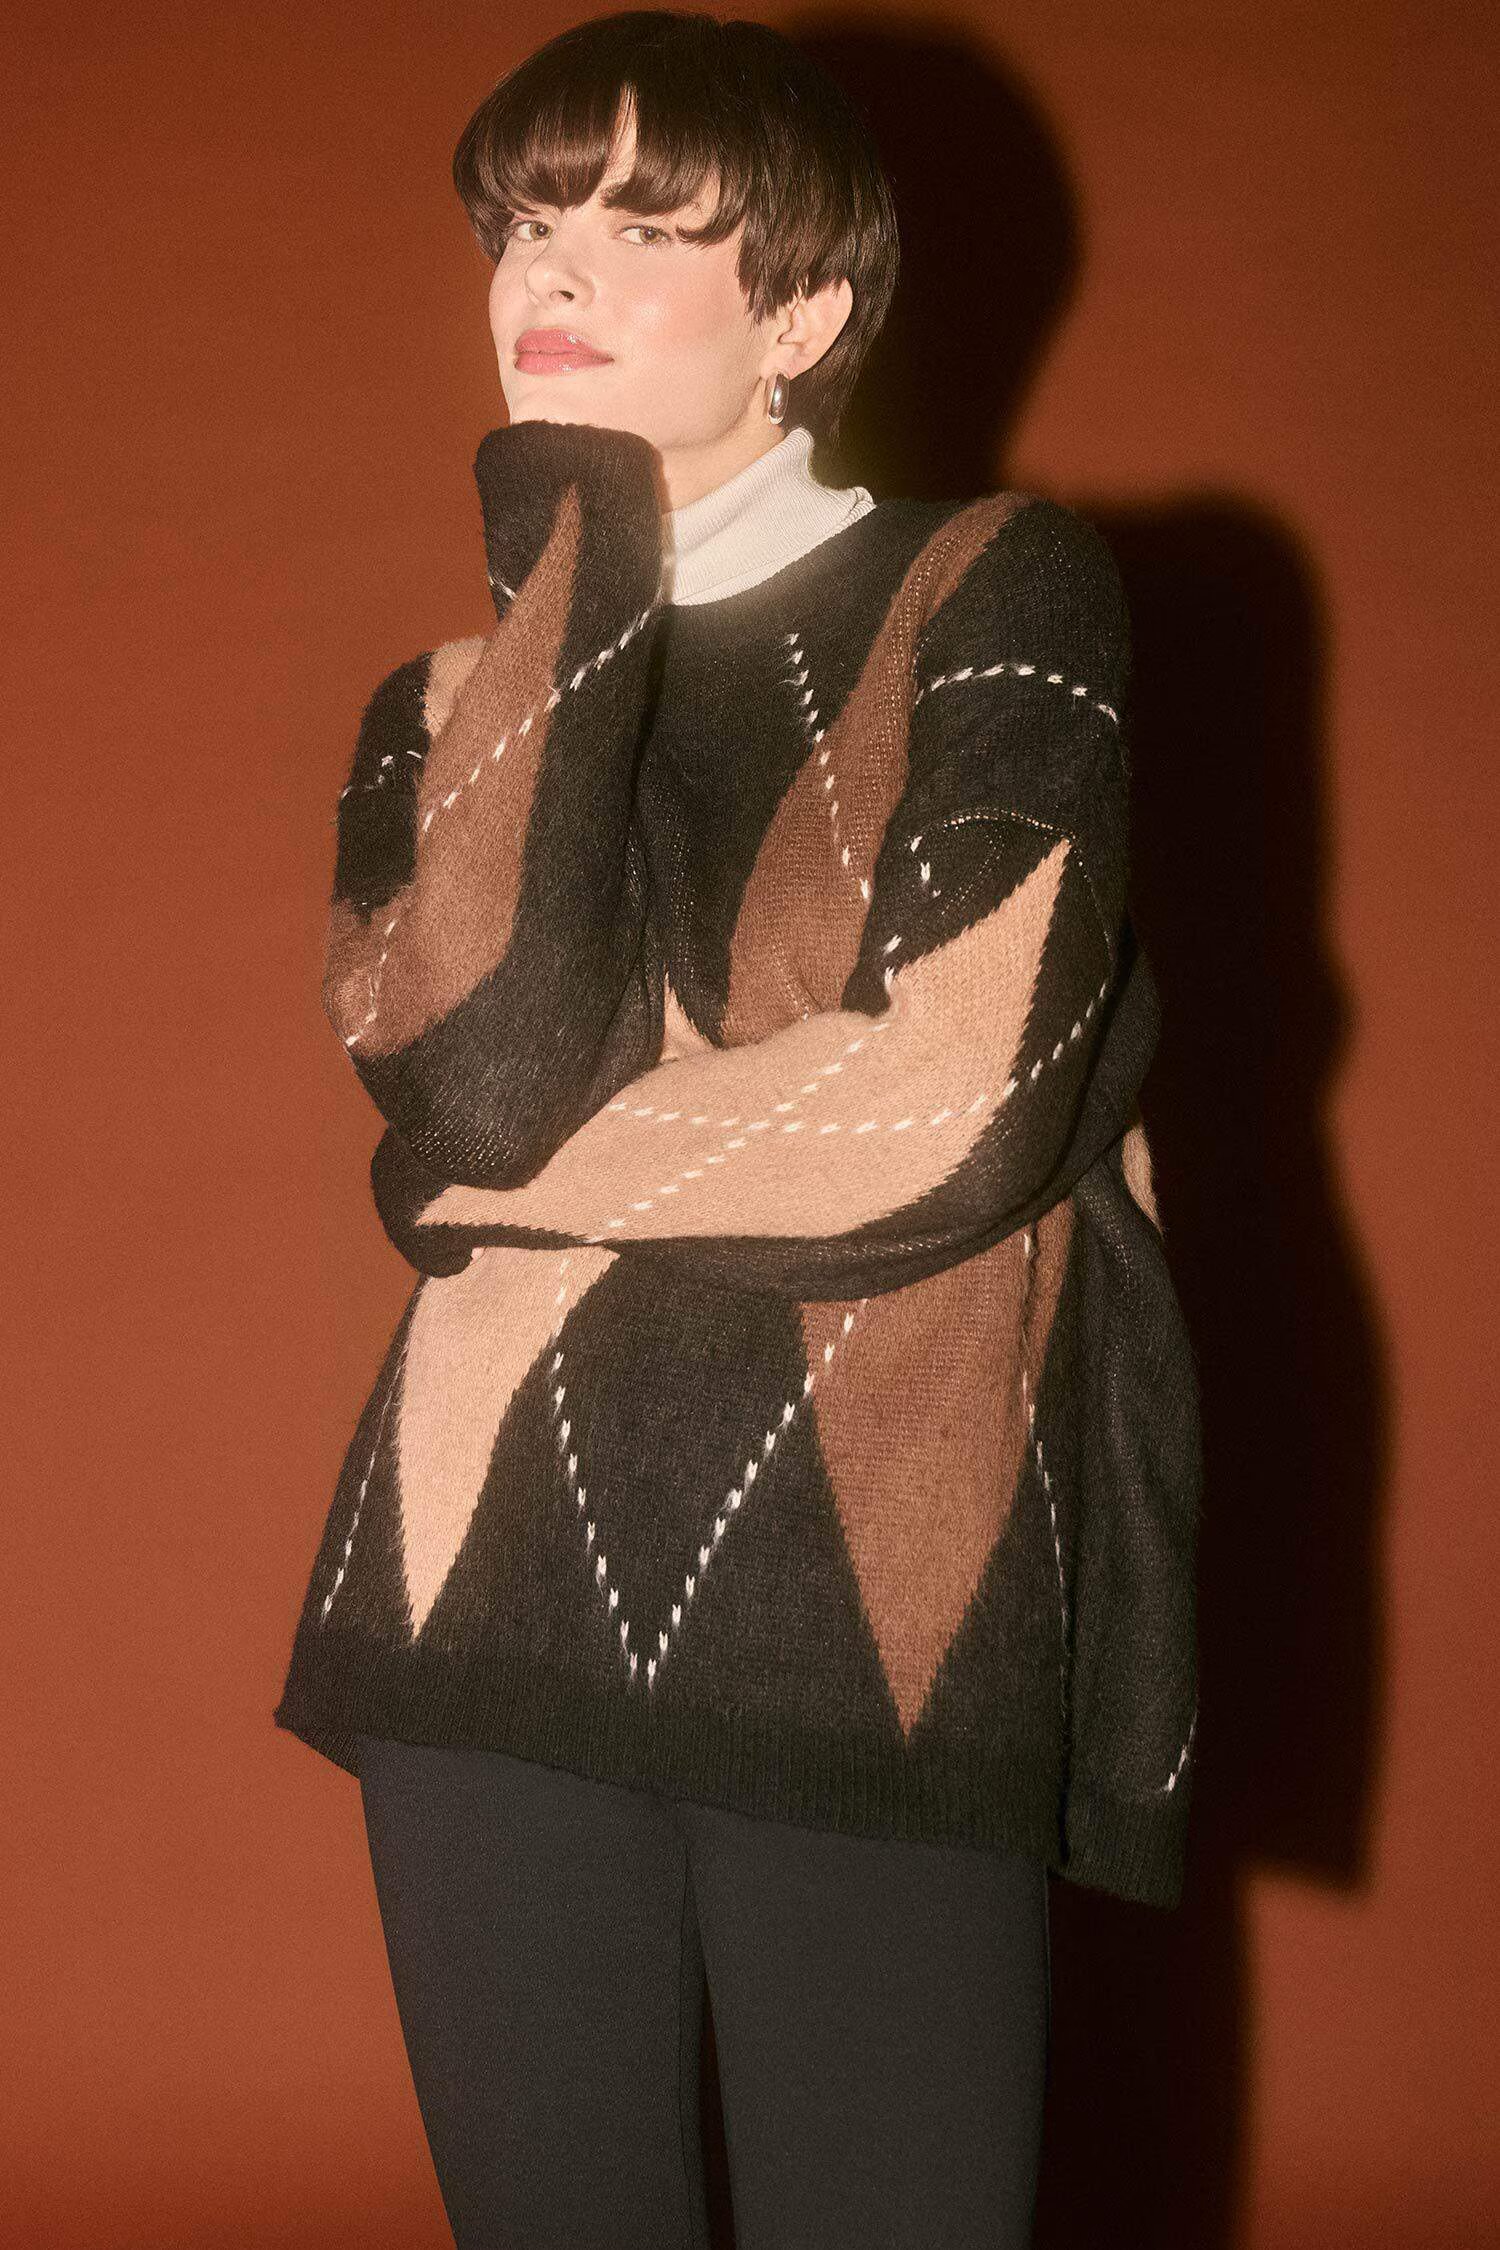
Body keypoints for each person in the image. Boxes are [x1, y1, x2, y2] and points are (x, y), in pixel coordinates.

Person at [274, 12, 1203, 2247]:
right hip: (471, 1595)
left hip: (878, 1601)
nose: (549, 268)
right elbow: (480, 1073)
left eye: (640, 223)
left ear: (803, 314)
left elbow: (954, 1102)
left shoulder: (998, 588)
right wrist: (574, 555)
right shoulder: (444, 705)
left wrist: (483, 1195)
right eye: (524, 221)